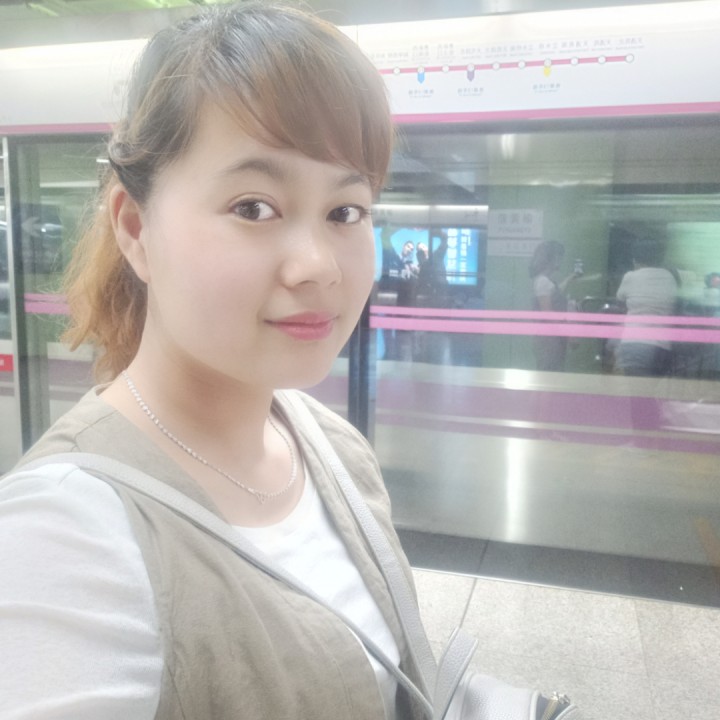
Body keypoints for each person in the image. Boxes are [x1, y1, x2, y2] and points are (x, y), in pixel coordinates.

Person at [0, 5, 574, 720]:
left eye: (346, 211)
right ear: (135, 227)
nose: (317, 266)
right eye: (254, 207)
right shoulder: (63, 539)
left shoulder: (331, 446)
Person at [615, 235, 679, 376]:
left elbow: (620, 300)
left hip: (635, 342)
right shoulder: (670, 277)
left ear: (635, 258)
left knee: (637, 387)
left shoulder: (630, 277)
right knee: (651, 388)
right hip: (663, 346)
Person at [529, 240, 580, 371]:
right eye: (559, 256)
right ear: (550, 258)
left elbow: (554, 292)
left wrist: (569, 278)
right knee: (549, 373)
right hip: (548, 339)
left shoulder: (544, 280)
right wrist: (569, 334)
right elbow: (548, 314)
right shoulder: (542, 281)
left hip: (551, 337)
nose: (560, 260)